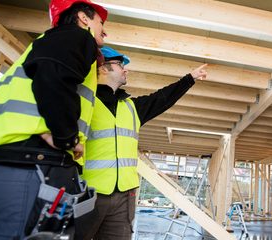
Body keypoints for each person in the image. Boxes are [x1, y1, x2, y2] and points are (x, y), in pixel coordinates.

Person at [0, 0, 108, 239]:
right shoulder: (77, 37)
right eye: (100, 22)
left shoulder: (50, 42)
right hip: (28, 164)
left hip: (13, 161)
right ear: (84, 18)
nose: (104, 30)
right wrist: (67, 139)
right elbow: (53, 76)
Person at [82, 46, 207, 239]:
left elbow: (162, 98)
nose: (126, 69)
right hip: (89, 194)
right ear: (103, 68)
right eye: (120, 64)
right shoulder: (84, 102)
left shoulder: (131, 108)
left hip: (124, 197)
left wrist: (189, 78)